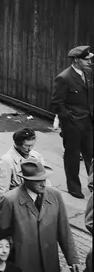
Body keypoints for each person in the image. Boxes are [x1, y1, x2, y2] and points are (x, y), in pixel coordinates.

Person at [0, 159, 80, 272]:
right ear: (25, 180)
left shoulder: (54, 195)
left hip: (47, 264)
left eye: (44, 179)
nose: (43, 183)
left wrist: (72, 258)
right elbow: (0, 236)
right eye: (37, 181)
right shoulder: (10, 201)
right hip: (23, 264)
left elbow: (63, 228)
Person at [50, 44, 93, 199]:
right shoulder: (64, 78)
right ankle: (74, 188)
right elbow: (57, 104)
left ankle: (92, 183)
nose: (89, 62)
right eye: (86, 59)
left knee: (91, 155)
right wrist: (69, 120)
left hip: (88, 122)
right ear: (76, 60)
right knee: (72, 156)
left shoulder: (87, 73)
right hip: (73, 125)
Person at [0, 127, 50, 202]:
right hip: (18, 201)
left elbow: (45, 180)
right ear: (18, 144)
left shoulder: (36, 156)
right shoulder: (6, 161)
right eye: (26, 145)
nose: (29, 149)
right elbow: (2, 192)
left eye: (32, 145)